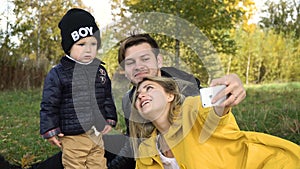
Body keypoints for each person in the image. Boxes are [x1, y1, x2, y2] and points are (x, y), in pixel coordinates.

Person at [107, 33, 246, 168]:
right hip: (155, 151)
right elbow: (134, 143)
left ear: (159, 61)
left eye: (145, 58)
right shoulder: (129, 100)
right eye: (130, 62)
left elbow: (214, 111)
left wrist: (231, 86)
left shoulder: (186, 87)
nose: (138, 66)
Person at [130, 76, 300, 168]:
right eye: (137, 96)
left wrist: (230, 85)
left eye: (149, 88)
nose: (141, 95)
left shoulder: (192, 109)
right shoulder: (146, 153)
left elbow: (217, 109)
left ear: (170, 95)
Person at [39, 8, 117, 169]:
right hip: (72, 134)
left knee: (99, 163)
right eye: (81, 44)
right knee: (75, 165)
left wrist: (109, 117)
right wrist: (50, 128)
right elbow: (49, 104)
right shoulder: (58, 73)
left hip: (96, 133)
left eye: (93, 44)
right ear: (69, 46)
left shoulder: (100, 70)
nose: (88, 49)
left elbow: (106, 96)